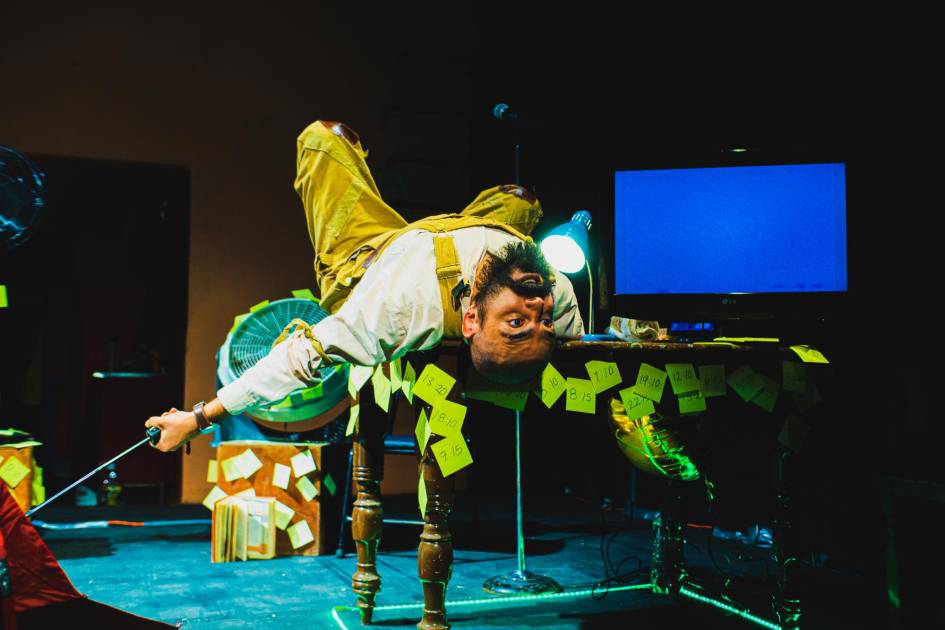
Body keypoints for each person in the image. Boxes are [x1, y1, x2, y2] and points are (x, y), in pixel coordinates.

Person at [146, 120, 584, 451]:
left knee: (323, 138)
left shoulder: (400, 308)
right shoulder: (554, 291)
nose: (536, 308)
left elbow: (297, 360)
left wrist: (198, 418)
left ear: (471, 319)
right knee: (521, 201)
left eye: (516, 323)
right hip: (449, 236)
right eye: (542, 324)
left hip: (366, 258)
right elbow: (595, 351)